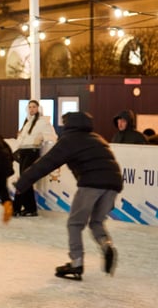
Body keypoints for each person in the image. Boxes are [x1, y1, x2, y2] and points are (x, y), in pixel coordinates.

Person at [14, 111, 121, 280]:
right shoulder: (97, 138)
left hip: (91, 183)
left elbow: (46, 163)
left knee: (75, 224)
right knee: (96, 222)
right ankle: (106, 245)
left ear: (69, 125)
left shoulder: (70, 140)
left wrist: (23, 182)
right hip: (114, 183)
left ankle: (76, 263)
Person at [13, 100, 57, 217]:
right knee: (25, 180)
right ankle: (29, 208)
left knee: (25, 179)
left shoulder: (43, 121)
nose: (32, 109)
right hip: (23, 151)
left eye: (34, 107)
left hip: (32, 151)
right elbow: (22, 138)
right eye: (30, 107)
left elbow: (52, 136)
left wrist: (42, 137)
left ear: (38, 108)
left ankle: (19, 207)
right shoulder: (27, 122)